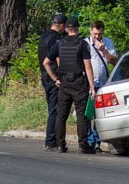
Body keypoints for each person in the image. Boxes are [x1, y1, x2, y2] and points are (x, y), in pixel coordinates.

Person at [42, 16, 96, 154]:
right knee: (81, 116)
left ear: (66, 29)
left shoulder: (59, 44)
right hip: (79, 83)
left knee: (61, 115)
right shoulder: (83, 44)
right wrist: (92, 86)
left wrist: (55, 79)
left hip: (64, 84)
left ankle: (61, 145)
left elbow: (46, 62)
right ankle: (83, 146)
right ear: (77, 29)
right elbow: (88, 67)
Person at [85, 21, 118, 152]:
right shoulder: (85, 44)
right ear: (90, 31)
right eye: (95, 34)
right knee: (88, 113)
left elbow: (115, 61)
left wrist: (104, 50)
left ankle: (97, 141)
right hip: (89, 83)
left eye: (100, 34)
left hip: (103, 83)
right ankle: (89, 140)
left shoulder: (107, 43)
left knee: (99, 114)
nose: (97, 37)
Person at [39, 13, 66, 150]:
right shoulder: (56, 39)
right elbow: (56, 59)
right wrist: (57, 77)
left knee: (53, 108)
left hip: (45, 77)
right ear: (61, 25)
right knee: (55, 110)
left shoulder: (44, 36)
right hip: (52, 77)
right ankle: (50, 141)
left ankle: (52, 140)